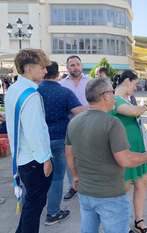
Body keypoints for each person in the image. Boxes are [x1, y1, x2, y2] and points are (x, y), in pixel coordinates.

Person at [65, 77, 147, 233]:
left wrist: (76, 176)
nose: (114, 96)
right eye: (112, 92)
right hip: (111, 195)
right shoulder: (112, 122)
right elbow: (125, 159)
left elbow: (69, 155)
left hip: (85, 193)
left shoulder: (74, 122)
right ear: (105, 95)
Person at [5, 48, 53, 233]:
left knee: (30, 206)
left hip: (22, 158)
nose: (45, 71)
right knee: (33, 208)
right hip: (34, 161)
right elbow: (35, 132)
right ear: (28, 69)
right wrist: (46, 160)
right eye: (42, 67)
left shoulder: (14, 89)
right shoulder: (31, 94)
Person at [37, 61, 86, 225]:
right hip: (59, 139)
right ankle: (52, 213)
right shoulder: (65, 92)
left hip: (37, 140)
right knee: (57, 178)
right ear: (58, 74)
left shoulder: (34, 92)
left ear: (43, 72)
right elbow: (79, 112)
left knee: (34, 178)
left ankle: (30, 209)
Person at [110, 71, 147, 233]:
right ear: (127, 81)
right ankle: (122, 225)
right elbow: (133, 112)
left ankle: (139, 220)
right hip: (125, 150)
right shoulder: (113, 99)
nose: (136, 88)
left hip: (137, 147)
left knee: (142, 182)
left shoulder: (128, 98)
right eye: (135, 84)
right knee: (124, 188)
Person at [59, 55, 93, 201]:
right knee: (70, 156)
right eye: (72, 65)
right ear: (67, 67)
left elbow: (97, 100)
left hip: (89, 124)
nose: (75, 67)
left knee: (89, 155)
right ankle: (73, 186)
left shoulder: (91, 82)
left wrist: (82, 109)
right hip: (69, 126)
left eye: (78, 64)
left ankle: (90, 185)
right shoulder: (61, 84)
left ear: (81, 66)